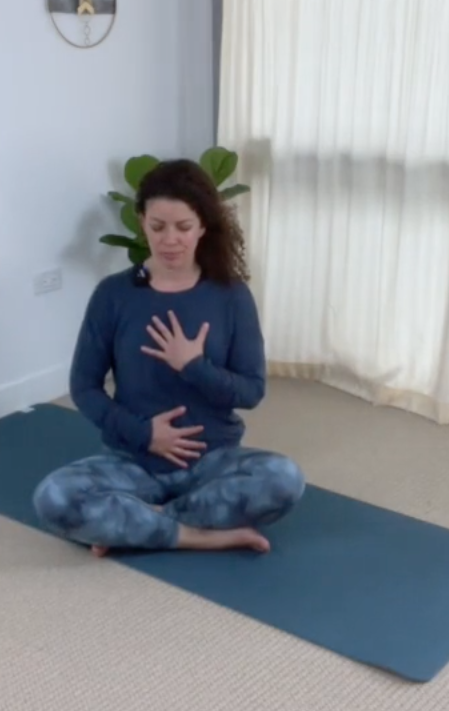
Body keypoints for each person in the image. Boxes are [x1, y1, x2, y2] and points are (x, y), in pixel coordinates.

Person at [34, 159, 305, 555]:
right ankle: (196, 534)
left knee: (284, 478)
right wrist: (145, 434)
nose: (170, 240)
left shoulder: (230, 296)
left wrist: (194, 366)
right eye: (158, 227)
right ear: (142, 221)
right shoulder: (114, 295)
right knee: (53, 496)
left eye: (183, 227)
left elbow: (251, 391)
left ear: (202, 227)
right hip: (134, 461)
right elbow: (85, 387)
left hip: (213, 461)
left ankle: (138, 522)